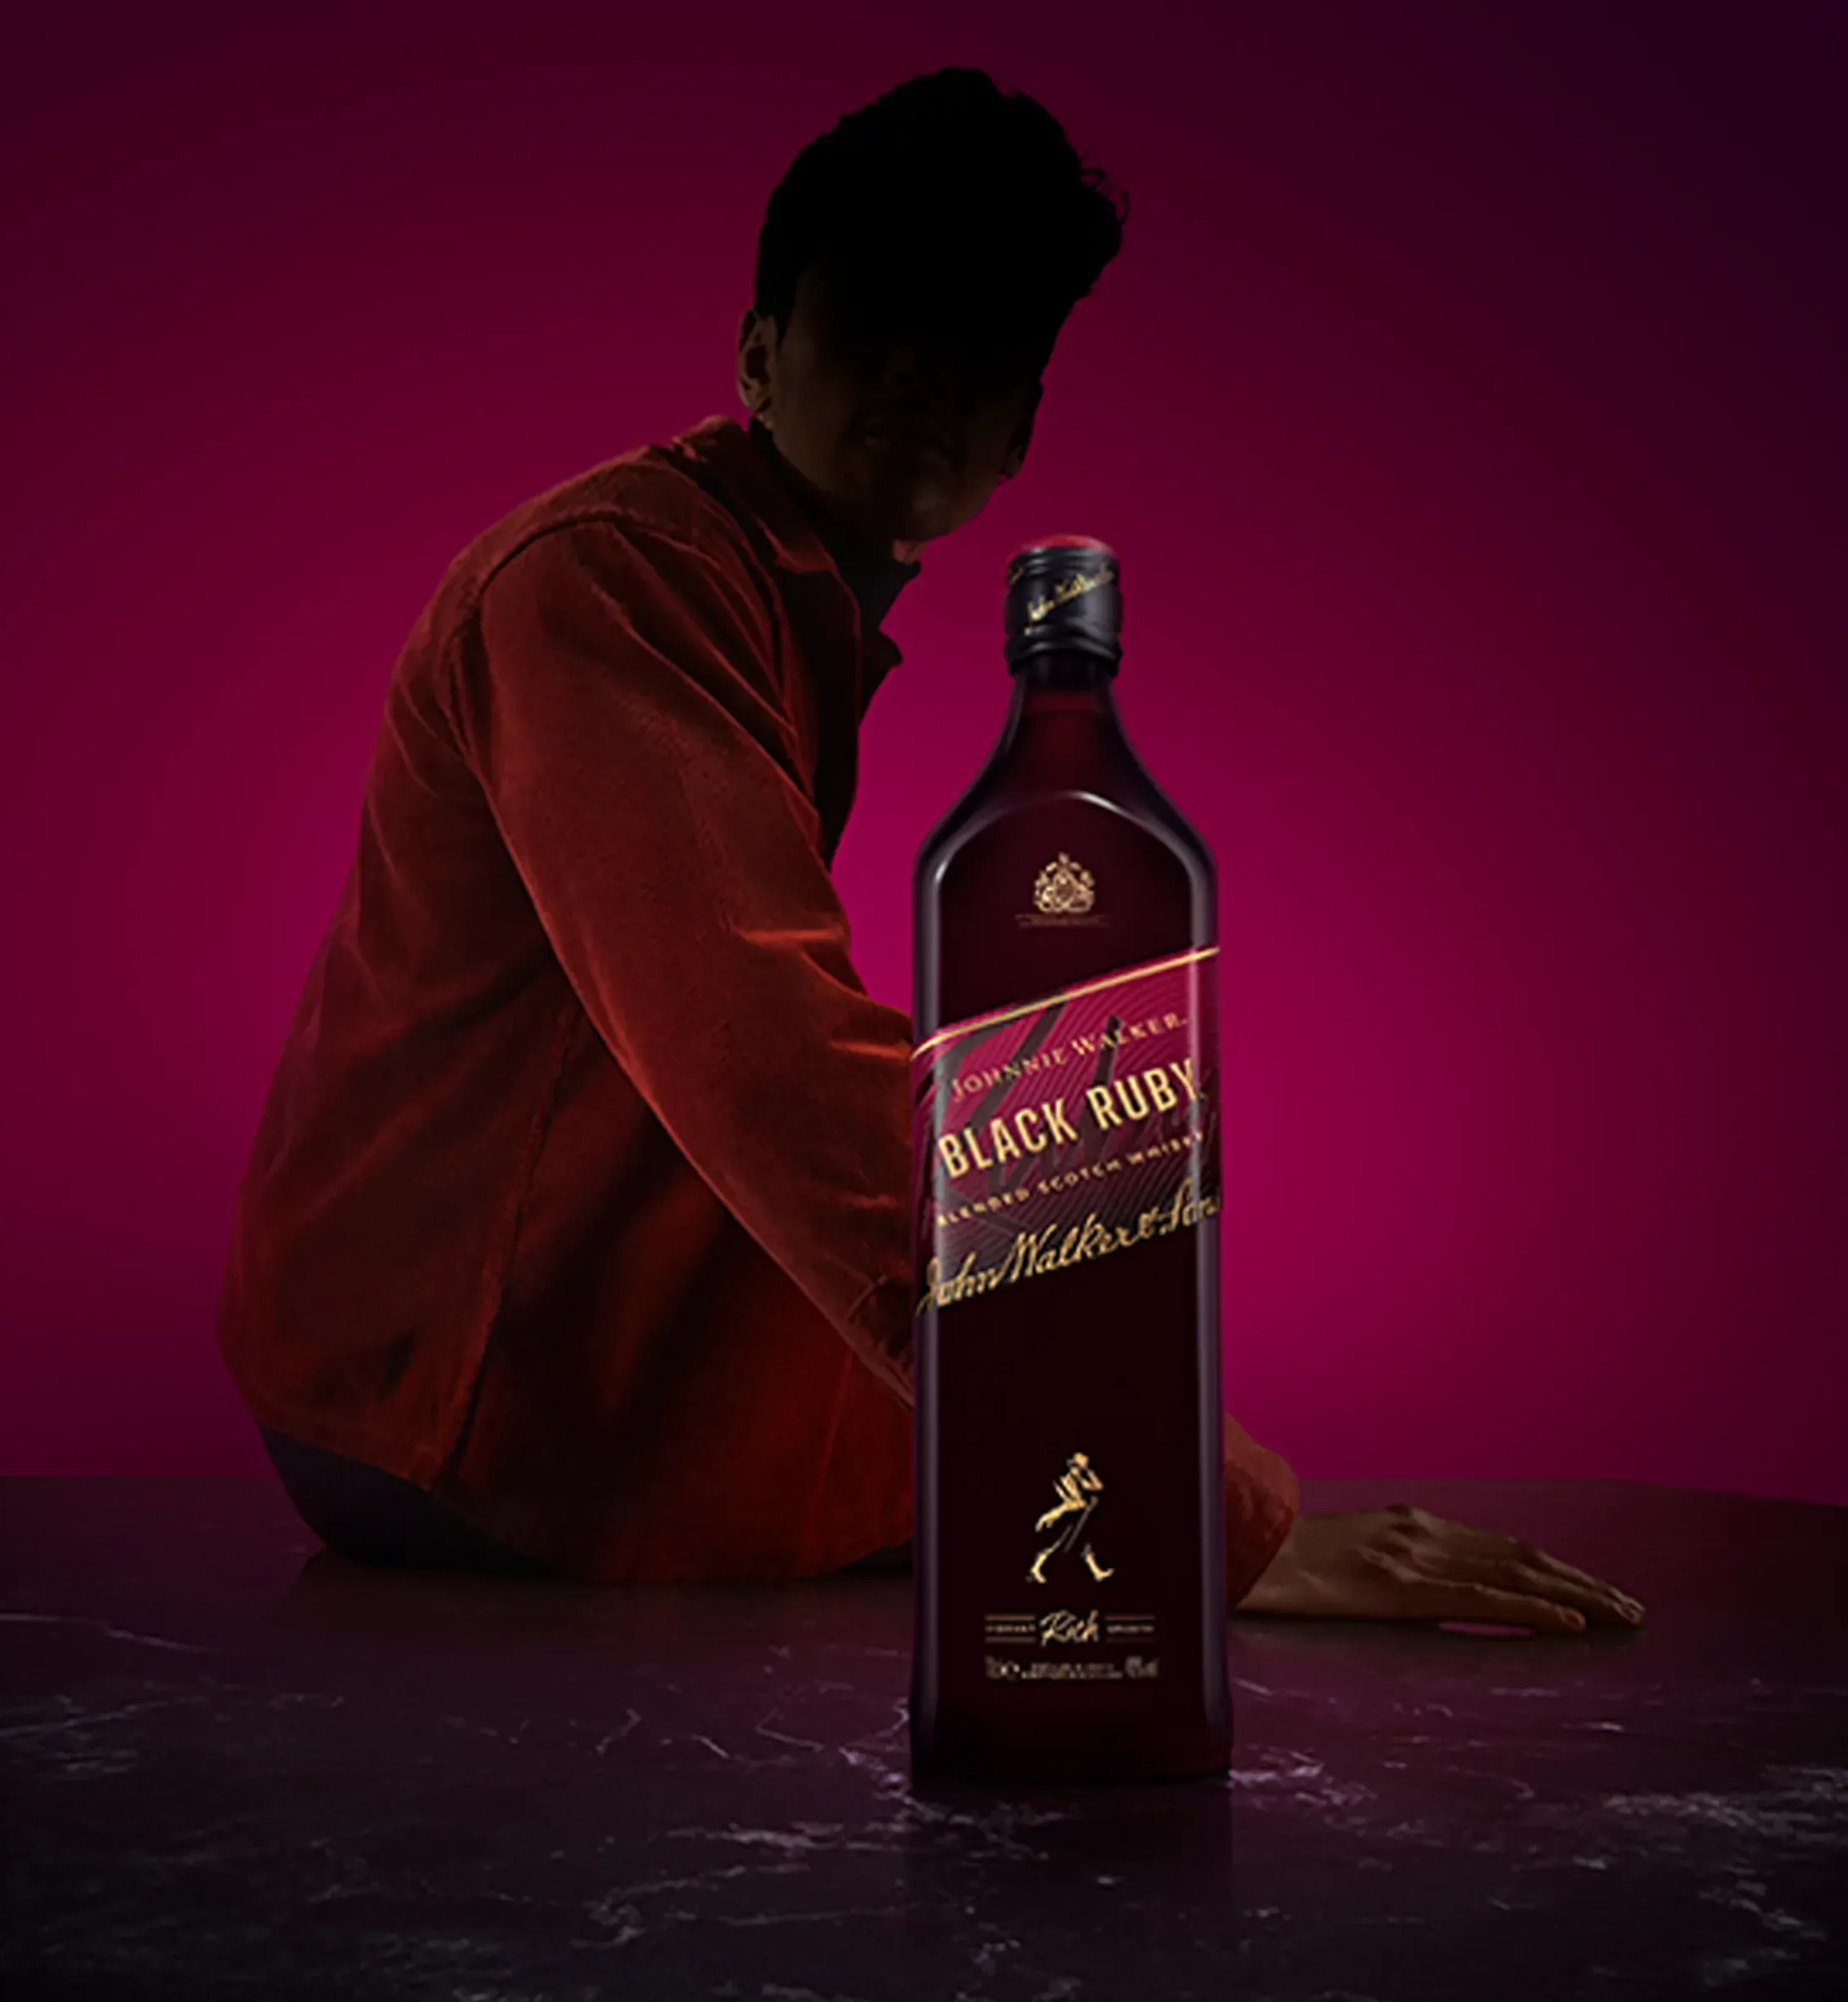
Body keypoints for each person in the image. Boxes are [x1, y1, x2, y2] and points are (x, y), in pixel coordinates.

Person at [218, 65, 1646, 1634]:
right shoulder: (612, 580)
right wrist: (1194, 1499)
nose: (921, 369)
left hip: (572, 1334)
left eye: (975, 342)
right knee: (1072, 1488)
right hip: (455, 1408)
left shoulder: (767, 597)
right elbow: (769, 1055)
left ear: (1018, 431)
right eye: (876, 315)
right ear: (759, 357)